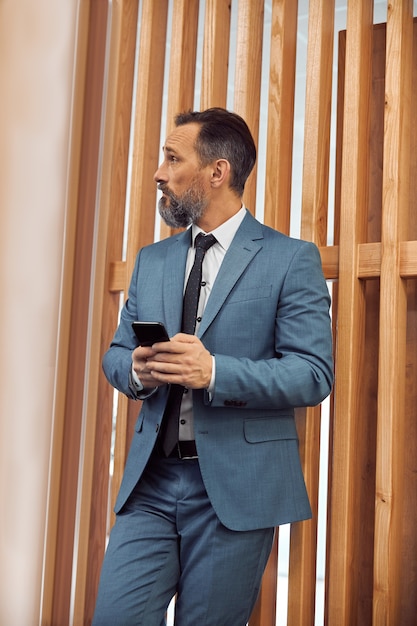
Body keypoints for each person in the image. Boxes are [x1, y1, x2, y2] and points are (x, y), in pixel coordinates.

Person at [92, 107, 333, 626]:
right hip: (150, 486)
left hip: (235, 491)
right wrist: (137, 369)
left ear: (217, 172)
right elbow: (114, 356)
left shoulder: (290, 259)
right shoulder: (151, 260)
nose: (159, 172)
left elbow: (313, 374)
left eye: (172, 158)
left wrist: (215, 373)